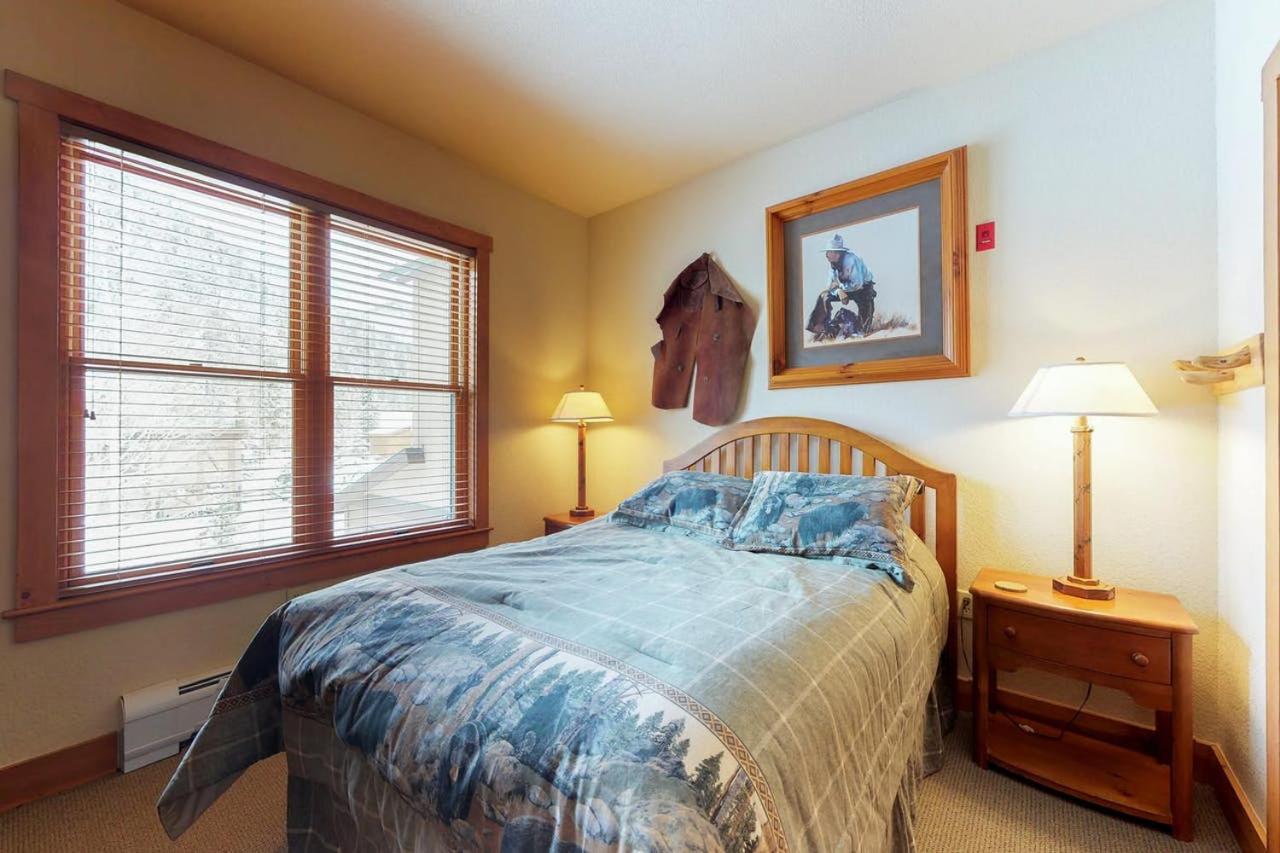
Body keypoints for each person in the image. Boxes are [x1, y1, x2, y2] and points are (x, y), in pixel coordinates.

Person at [805, 233, 877, 340]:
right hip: (846, 289)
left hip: (863, 290)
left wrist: (841, 288)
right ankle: (820, 328)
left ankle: (861, 327)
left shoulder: (851, 260)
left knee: (863, 330)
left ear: (837, 253)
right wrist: (838, 291)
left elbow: (857, 284)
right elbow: (830, 285)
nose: (826, 255)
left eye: (829, 252)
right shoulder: (833, 264)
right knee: (824, 296)